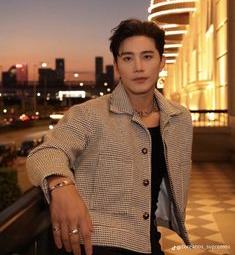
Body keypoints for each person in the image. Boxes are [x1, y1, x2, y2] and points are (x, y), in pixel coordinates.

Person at [26, 18, 193, 255]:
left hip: (147, 239)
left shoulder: (180, 119)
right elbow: (45, 153)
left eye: (147, 56)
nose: (138, 67)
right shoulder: (88, 114)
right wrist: (61, 186)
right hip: (94, 241)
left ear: (161, 62)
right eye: (127, 58)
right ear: (117, 66)